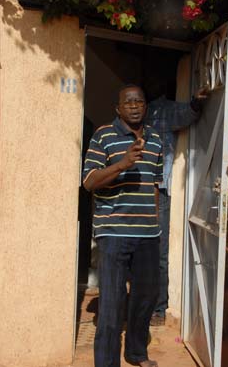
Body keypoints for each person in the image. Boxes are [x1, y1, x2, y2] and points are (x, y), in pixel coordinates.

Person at [82, 85, 163, 367]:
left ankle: (136, 353)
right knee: (112, 305)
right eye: (128, 102)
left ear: (145, 106)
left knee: (146, 298)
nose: (134, 105)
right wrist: (122, 164)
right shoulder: (103, 136)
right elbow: (89, 181)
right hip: (114, 233)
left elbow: (155, 184)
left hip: (148, 234)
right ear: (118, 108)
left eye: (139, 101)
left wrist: (155, 222)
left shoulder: (155, 139)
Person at [144, 81, 209, 326]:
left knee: (158, 251)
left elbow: (186, 114)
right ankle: (140, 305)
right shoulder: (136, 111)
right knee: (135, 251)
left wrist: (195, 102)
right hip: (135, 193)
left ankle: (159, 309)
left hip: (158, 192)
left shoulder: (164, 109)